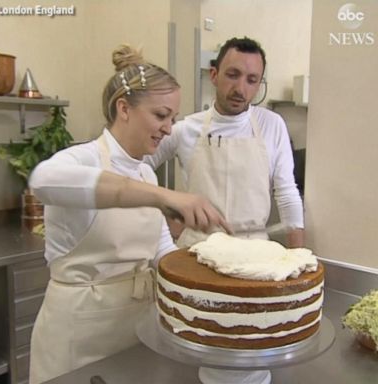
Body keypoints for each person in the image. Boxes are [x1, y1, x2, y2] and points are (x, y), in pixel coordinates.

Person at [28, 44, 230, 384]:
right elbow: (42, 181)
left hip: (136, 331)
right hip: (78, 339)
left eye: (174, 119)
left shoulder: (146, 174)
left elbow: (162, 253)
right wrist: (165, 196)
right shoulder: (82, 159)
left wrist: (213, 267)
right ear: (124, 108)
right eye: (161, 115)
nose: (169, 129)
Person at [145, 36, 304, 249]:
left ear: (259, 85)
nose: (240, 88)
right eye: (232, 75)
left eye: (251, 80)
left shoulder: (272, 125)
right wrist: (166, 221)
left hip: (253, 251)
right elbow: (136, 168)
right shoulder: (186, 129)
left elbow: (286, 193)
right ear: (214, 75)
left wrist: (298, 258)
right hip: (198, 250)